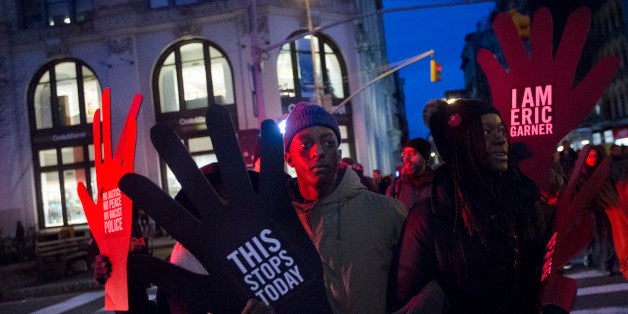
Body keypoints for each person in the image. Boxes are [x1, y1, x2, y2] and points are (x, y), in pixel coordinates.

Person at [392, 99, 548, 313]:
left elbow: (542, 271)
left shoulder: (524, 202)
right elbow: (408, 301)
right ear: (461, 145)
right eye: (486, 132)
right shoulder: (428, 218)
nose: (500, 139)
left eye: (501, 130)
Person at [283, 102, 406, 313]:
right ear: (289, 159)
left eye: (328, 142)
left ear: (339, 155)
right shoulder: (278, 226)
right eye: (306, 144)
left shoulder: (387, 213)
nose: (318, 151)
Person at [386, 138, 434, 214]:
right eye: (404, 154)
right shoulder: (396, 186)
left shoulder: (438, 184)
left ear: (425, 158)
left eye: (412, 153)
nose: (406, 158)